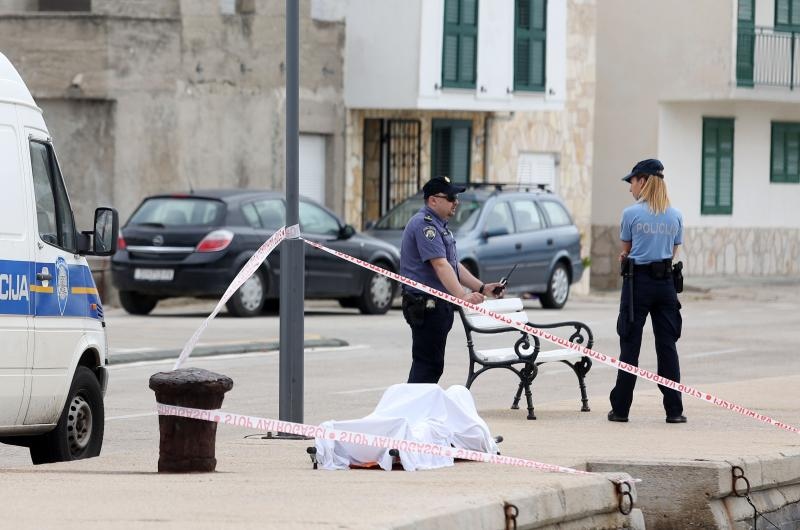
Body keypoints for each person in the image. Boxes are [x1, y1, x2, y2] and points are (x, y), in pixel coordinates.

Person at [400, 176, 506, 384]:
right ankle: (414, 413)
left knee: (432, 365)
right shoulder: (425, 225)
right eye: (450, 197)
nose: (456, 201)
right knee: (427, 365)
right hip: (425, 305)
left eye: (456, 197)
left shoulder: (440, 225)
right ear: (433, 200)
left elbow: (453, 265)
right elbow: (440, 265)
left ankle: (419, 411)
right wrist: (463, 296)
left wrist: (482, 287)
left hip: (438, 305)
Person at [608, 159, 686, 424]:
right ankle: (674, 410)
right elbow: (673, 252)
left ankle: (620, 409)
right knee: (667, 347)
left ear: (643, 180)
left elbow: (627, 249)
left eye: (632, 181)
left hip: (637, 285)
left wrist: (628, 255)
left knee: (630, 345)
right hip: (665, 285)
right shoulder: (675, 215)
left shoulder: (631, 214)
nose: (631, 187)